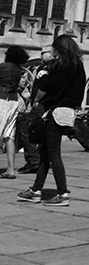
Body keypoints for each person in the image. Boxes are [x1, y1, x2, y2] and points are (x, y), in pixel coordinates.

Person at [17, 35, 86, 207]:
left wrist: (44, 75)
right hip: (65, 110)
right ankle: (35, 190)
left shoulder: (62, 66)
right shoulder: (78, 66)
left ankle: (63, 193)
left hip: (56, 112)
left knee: (53, 154)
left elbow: (47, 85)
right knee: (45, 154)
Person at [15, 46, 54, 173]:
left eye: (44, 53)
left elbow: (45, 86)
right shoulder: (59, 67)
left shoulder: (46, 68)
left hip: (42, 104)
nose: (41, 55)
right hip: (51, 104)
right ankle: (46, 160)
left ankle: (34, 160)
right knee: (46, 131)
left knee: (26, 127)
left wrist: (36, 100)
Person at [0, 45, 29, 179]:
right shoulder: (19, 70)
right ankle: (11, 169)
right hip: (13, 101)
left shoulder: (3, 67)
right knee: (9, 136)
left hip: (2, 100)